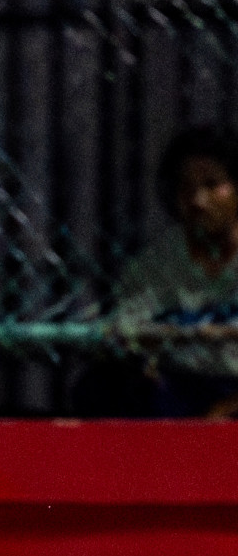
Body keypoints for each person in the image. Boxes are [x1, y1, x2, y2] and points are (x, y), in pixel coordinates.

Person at [109, 125, 238, 416]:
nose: (198, 201)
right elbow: (128, 338)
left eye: (212, 184)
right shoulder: (156, 264)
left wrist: (227, 409)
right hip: (179, 389)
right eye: (186, 188)